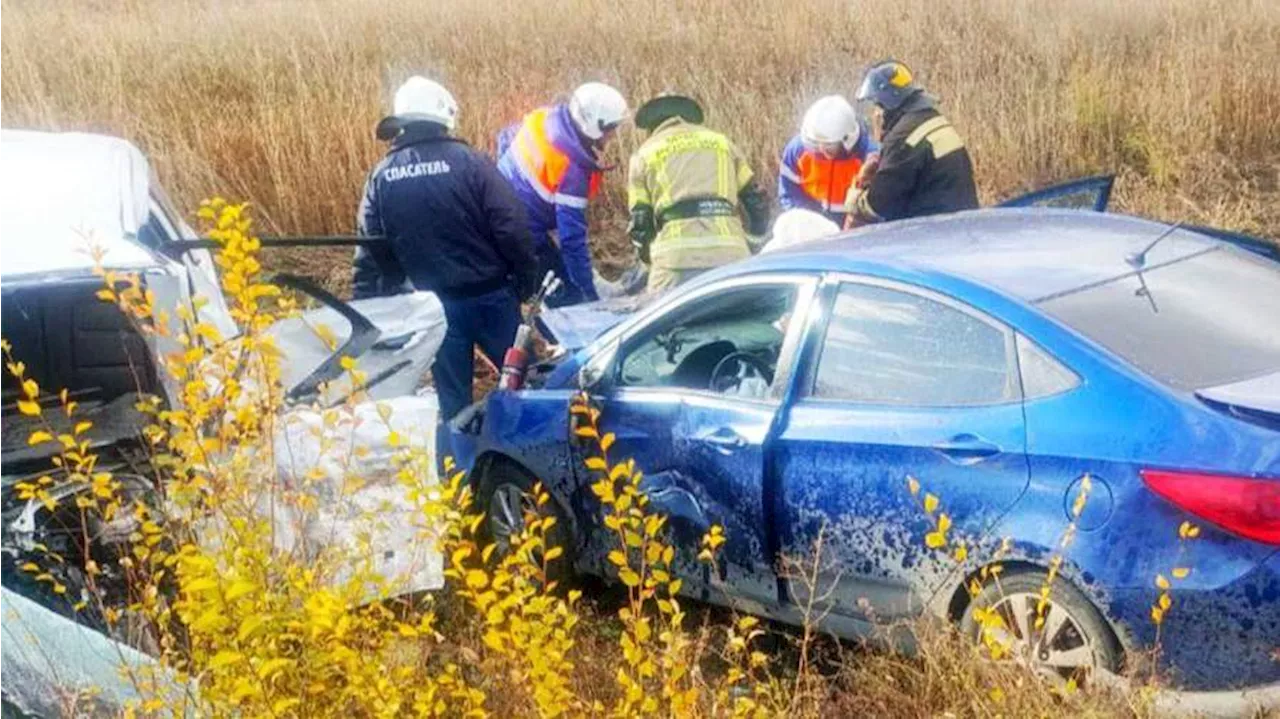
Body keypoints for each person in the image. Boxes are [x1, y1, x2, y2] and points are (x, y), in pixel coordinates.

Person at [353, 76, 538, 423]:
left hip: (433, 309)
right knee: (525, 385)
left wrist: (374, 308)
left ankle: (463, 471)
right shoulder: (471, 162)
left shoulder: (381, 176)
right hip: (493, 298)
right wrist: (525, 279)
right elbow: (511, 225)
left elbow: (370, 251)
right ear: (444, 117)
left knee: (456, 405)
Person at [496, 82, 629, 307]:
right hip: (519, 231)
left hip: (498, 204)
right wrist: (589, 295)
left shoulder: (543, 119)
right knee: (566, 298)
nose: (613, 136)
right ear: (594, 127)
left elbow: (505, 136)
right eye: (611, 130)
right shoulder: (573, 171)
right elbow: (572, 241)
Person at [626, 94, 769, 292]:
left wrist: (649, 263)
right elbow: (757, 200)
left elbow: (641, 223)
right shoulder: (722, 143)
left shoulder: (644, 154)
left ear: (651, 127)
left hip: (675, 261)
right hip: (731, 255)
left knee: (664, 320)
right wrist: (754, 242)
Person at [845, 60, 978, 228]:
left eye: (877, 106)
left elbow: (877, 206)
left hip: (933, 234)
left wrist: (853, 197)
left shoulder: (903, 138)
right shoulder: (931, 117)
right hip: (964, 223)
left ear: (887, 103)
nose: (876, 114)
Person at [778, 95, 880, 227]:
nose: (822, 150)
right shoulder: (797, 151)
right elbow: (790, 193)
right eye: (815, 144)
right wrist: (806, 221)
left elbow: (875, 206)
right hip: (812, 226)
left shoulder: (868, 159)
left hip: (854, 228)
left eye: (829, 146)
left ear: (847, 140)